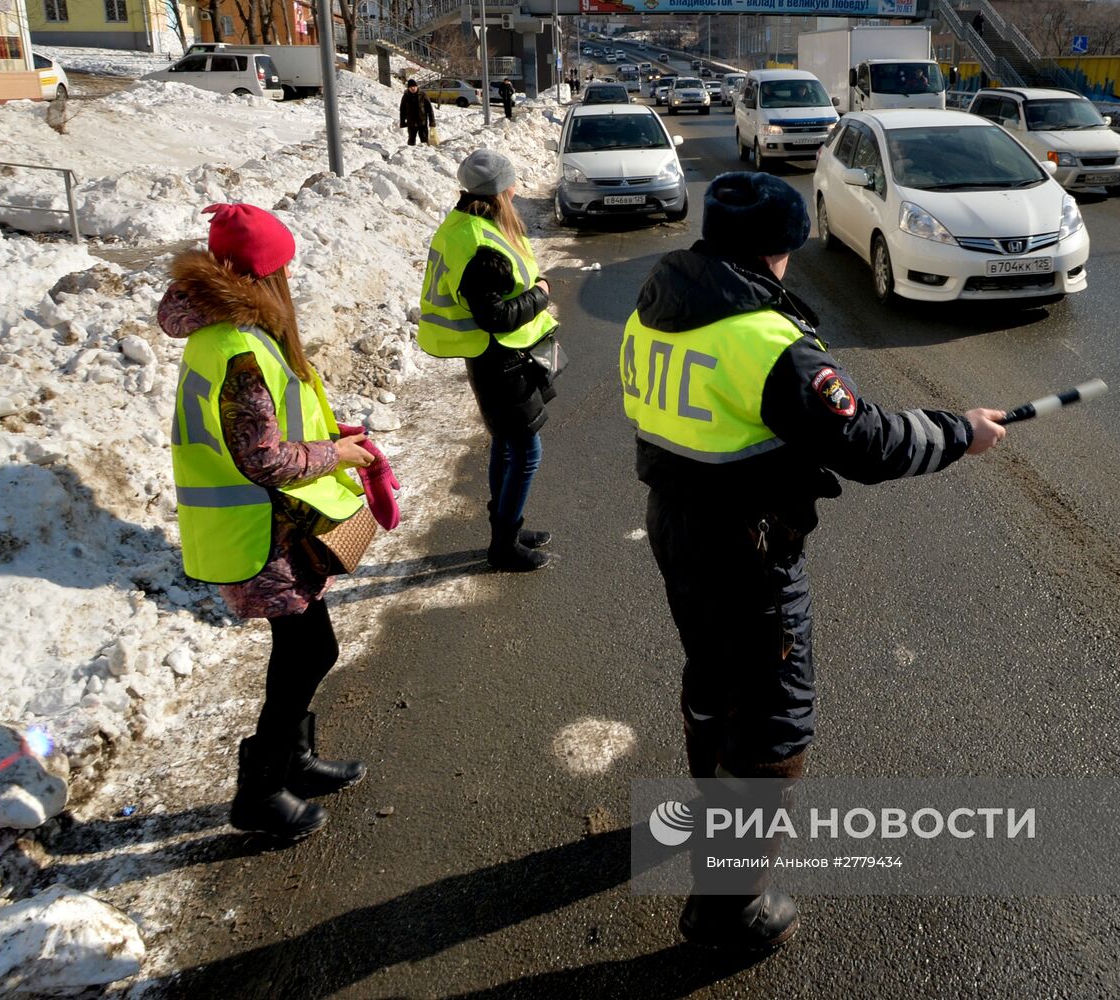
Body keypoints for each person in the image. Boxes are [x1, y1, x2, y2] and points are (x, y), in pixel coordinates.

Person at [619, 172, 1007, 950]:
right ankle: (726, 909)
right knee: (771, 719)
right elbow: (865, 441)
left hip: (676, 523)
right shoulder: (767, 342)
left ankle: (708, 812)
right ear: (779, 248)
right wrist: (960, 432)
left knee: (709, 676)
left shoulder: (657, 306)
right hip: (747, 547)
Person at [161, 204, 373, 841]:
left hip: (271, 526)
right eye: (283, 269)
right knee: (311, 650)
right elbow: (263, 458)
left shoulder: (224, 333)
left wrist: (329, 433)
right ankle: (258, 792)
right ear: (261, 277)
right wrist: (337, 454)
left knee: (305, 649)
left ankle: (293, 761)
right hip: (259, 531)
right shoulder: (238, 349)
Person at [417, 150, 558, 571]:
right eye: (512, 183)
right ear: (501, 189)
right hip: (502, 362)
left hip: (495, 358)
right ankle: (503, 545)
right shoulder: (481, 246)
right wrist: (542, 294)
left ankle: (507, 529)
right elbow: (494, 316)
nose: (516, 189)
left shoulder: (465, 224)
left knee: (507, 445)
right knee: (526, 451)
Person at [399, 78, 435, 146]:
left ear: (417, 86)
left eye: (414, 87)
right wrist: (402, 122)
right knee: (411, 141)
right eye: (411, 87)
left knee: (424, 141)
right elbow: (402, 110)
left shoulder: (423, 95)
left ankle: (426, 153)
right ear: (408, 88)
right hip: (411, 123)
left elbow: (430, 110)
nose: (413, 88)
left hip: (422, 122)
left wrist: (432, 122)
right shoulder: (406, 96)